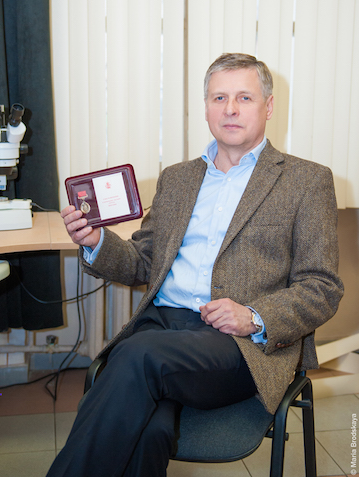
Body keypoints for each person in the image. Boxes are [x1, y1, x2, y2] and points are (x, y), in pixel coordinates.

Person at [47, 53, 343, 477]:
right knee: (148, 430)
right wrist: (96, 242)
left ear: (268, 106)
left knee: (136, 356)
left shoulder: (306, 181)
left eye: (244, 97)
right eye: (219, 97)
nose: (230, 109)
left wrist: (253, 316)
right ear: (205, 107)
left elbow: (322, 286)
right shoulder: (177, 178)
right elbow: (143, 262)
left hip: (236, 342)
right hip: (162, 328)